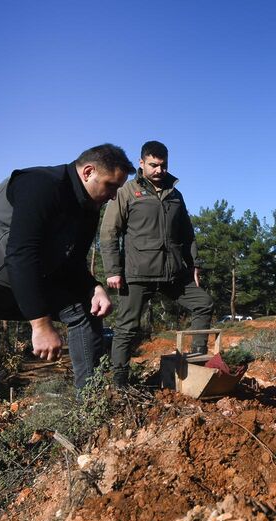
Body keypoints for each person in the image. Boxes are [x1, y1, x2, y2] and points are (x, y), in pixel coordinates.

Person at [0, 144, 135, 492]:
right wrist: (40, 324)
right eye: (110, 186)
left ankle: (88, 414)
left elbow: (70, 265)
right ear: (88, 172)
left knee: (84, 310)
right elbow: (21, 253)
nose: (112, 196)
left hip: (12, 285)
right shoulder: (40, 184)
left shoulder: (88, 208)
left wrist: (93, 288)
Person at [100, 141, 214, 387]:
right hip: (138, 273)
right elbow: (109, 232)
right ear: (141, 163)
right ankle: (119, 381)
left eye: (163, 165)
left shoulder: (175, 195)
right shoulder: (127, 191)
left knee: (204, 304)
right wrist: (113, 271)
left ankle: (196, 361)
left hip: (173, 272)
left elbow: (187, 234)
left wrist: (195, 265)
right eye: (153, 165)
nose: (159, 170)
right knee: (127, 327)